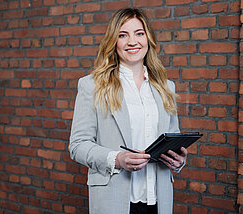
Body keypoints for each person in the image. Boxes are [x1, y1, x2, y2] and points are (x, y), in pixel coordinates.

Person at [69, 7, 188, 214]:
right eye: (123, 35)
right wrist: (117, 159)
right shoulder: (92, 86)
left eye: (139, 33)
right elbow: (78, 145)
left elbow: (173, 137)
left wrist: (178, 161)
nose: (133, 42)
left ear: (148, 38)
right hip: (114, 201)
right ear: (114, 42)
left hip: (159, 201)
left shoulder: (166, 87)